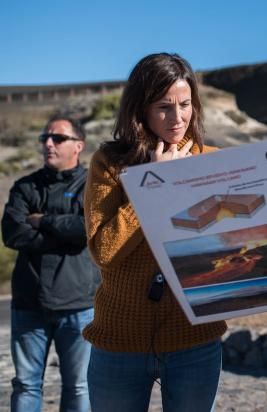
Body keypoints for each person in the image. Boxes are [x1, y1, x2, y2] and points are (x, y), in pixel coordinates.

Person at [82, 53, 225, 411]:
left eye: (185, 104)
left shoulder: (215, 160)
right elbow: (105, 252)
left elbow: (230, 245)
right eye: (164, 107)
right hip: (119, 342)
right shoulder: (110, 163)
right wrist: (153, 186)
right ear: (140, 108)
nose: (177, 118)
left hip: (195, 339)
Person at [2, 115, 100, 412]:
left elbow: (86, 230)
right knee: (26, 384)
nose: (48, 144)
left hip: (79, 306)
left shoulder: (92, 186)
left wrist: (43, 220)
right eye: (45, 138)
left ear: (78, 146)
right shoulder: (25, 187)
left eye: (58, 138)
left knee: (79, 386)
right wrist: (63, 236)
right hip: (29, 304)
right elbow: (13, 232)